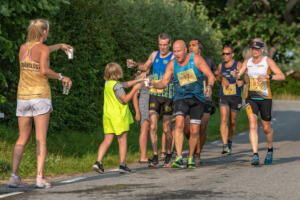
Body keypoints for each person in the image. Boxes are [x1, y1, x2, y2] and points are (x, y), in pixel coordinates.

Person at [8, 19, 72, 188]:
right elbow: (44, 70)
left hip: (23, 97)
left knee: (22, 137)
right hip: (40, 96)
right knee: (40, 138)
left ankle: (14, 176)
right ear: (44, 32)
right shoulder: (42, 49)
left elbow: (41, 51)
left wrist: (59, 46)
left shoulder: (23, 47)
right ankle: (39, 177)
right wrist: (61, 76)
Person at [151, 40, 215, 168]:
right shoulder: (172, 64)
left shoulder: (196, 59)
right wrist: (153, 84)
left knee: (194, 130)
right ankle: (179, 157)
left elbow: (210, 75)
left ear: (185, 50)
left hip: (197, 99)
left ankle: (191, 157)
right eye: (174, 51)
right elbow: (163, 83)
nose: (177, 54)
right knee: (179, 124)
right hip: (181, 98)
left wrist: (209, 86)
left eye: (179, 51)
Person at [234, 38, 285, 165]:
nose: (255, 51)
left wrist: (268, 76)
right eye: (253, 48)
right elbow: (239, 76)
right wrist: (236, 75)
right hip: (251, 98)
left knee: (266, 128)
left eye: (257, 49)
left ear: (262, 49)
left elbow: (281, 76)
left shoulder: (268, 61)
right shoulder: (247, 62)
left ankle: (269, 149)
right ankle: (255, 154)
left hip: (265, 98)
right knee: (252, 124)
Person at [128, 33, 174, 167]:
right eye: (160, 44)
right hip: (154, 94)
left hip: (168, 95)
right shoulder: (154, 55)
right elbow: (144, 67)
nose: (163, 47)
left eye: (165, 45)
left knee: (166, 128)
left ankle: (169, 154)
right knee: (152, 126)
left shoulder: (173, 57)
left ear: (169, 44)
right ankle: (155, 156)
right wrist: (136, 64)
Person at [93, 62, 144, 174]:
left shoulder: (108, 83)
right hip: (118, 116)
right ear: (118, 72)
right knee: (122, 140)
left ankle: (98, 162)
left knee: (107, 140)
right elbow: (125, 99)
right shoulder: (117, 86)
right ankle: (122, 164)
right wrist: (135, 89)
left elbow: (124, 84)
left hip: (108, 116)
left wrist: (137, 81)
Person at [184, 39, 217, 165]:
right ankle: (193, 142)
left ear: (200, 47)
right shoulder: (185, 62)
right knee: (187, 129)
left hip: (205, 99)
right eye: (189, 45)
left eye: (194, 45)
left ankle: (197, 153)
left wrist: (210, 86)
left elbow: (213, 76)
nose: (191, 47)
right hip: (189, 98)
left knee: (202, 127)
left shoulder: (208, 62)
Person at [216, 45, 244, 155]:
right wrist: (222, 78)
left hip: (235, 97)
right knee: (223, 119)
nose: (225, 56)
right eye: (223, 54)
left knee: (232, 122)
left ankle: (230, 140)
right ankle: (224, 145)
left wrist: (238, 77)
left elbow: (242, 82)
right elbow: (217, 77)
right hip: (224, 96)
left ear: (232, 54)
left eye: (227, 53)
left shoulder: (238, 64)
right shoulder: (221, 65)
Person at [133, 61, 152, 163]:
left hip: (152, 104)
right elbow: (135, 97)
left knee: (150, 130)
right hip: (143, 105)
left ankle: (148, 153)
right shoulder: (138, 79)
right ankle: (143, 156)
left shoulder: (153, 77)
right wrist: (137, 112)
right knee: (144, 129)